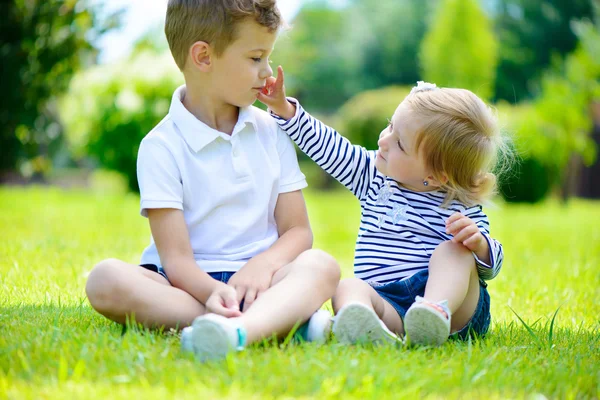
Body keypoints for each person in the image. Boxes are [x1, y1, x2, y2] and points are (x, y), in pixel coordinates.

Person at [85, 0, 340, 361]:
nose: (267, 73)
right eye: (255, 58)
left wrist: (262, 266)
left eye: (267, 58)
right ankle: (270, 324)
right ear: (203, 57)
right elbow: (176, 259)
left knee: (322, 265)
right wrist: (210, 292)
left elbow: (298, 231)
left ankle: (238, 328)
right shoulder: (161, 147)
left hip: (262, 282)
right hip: (184, 286)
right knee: (104, 280)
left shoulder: (270, 131)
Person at [258, 68, 507, 346]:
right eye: (390, 126)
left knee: (455, 252)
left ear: (435, 176)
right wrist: (285, 110)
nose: (383, 140)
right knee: (348, 287)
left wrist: (480, 246)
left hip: (454, 310)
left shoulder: (460, 205)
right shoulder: (374, 177)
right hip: (389, 304)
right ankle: (366, 325)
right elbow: (330, 147)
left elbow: (489, 268)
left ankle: (431, 313)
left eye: (399, 144)